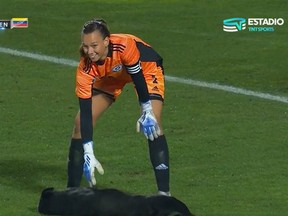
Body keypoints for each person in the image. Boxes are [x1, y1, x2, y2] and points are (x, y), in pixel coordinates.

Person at [67, 18, 170, 196]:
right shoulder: (85, 68)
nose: (90, 52)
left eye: (94, 45)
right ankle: (71, 192)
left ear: (106, 41)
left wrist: (146, 110)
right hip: (111, 74)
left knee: (153, 123)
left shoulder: (124, 45)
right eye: (85, 46)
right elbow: (85, 113)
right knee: (78, 124)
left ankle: (164, 194)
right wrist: (88, 152)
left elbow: (137, 76)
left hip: (145, 69)